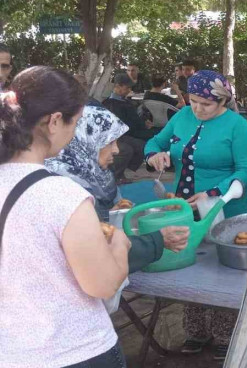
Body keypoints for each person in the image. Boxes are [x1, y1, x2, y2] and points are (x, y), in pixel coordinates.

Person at [0, 66, 130, 368]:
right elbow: (103, 285)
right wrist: (120, 245)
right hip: (76, 351)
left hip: (12, 353)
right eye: (75, 122)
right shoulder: (62, 195)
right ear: (55, 120)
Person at [144, 70, 247, 360]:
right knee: (187, 263)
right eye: (193, 101)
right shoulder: (182, 117)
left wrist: (214, 192)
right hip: (183, 208)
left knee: (220, 271)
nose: (198, 108)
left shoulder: (237, 125)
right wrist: (154, 155)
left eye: (207, 104)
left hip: (225, 208)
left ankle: (225, 334)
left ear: (223, 101)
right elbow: (154, 143)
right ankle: (195, 331)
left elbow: (246, 171)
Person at [45, 104, 191, 270]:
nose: (116, 150)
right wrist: (157, 241)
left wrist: (164, 211)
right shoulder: (63, 186)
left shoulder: (97, 177)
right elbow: (95, 250)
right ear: (85, 140)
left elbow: (116, 221)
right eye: (109, 142)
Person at [103, 71, 154, 182]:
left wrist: (143, 122)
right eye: (127, 88)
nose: (129, 91)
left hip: (129, 132)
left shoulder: (124, 101)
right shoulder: (110, 104)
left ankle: (120, 173)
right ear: (118, 86)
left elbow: (133, 119)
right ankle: (112, 177)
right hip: (118, 136)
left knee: (143, 145)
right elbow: (122, 125)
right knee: (131, 148)